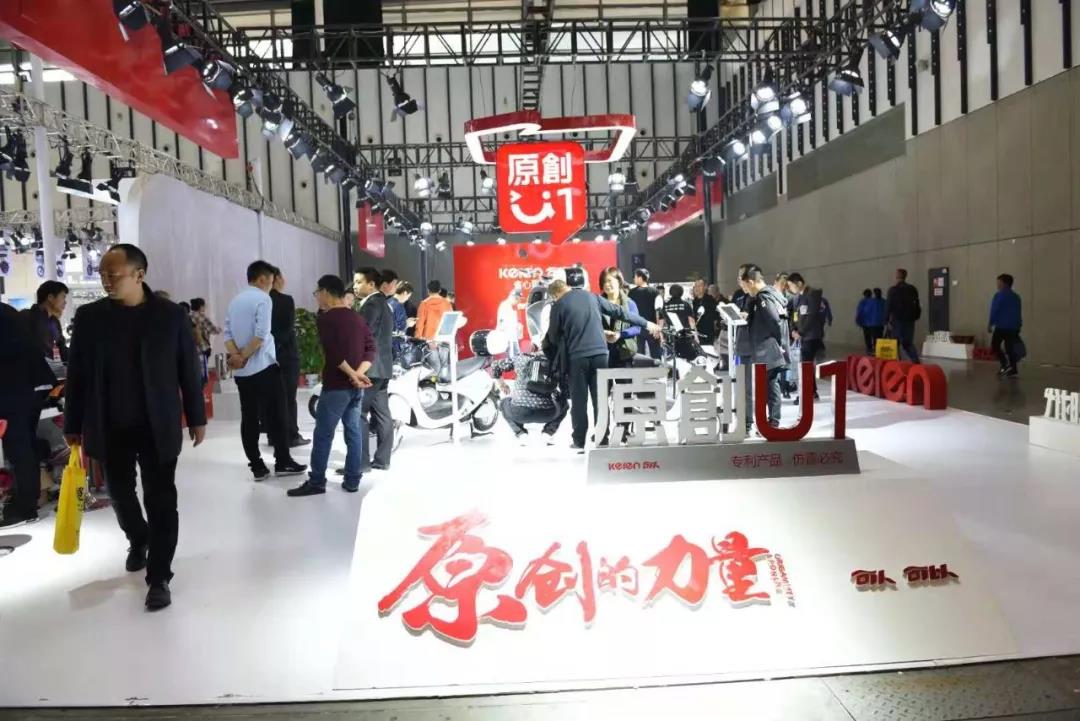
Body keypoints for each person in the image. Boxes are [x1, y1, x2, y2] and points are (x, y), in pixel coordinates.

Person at [63, 244, 206, 610]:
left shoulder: (170, 316)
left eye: (113, 275)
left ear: (139, 275)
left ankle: (159, 577)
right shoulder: (90, 317)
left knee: (161, 499)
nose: (106, 281)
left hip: (157, 423)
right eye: (102, 275)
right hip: (109, 423)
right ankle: (138, 538)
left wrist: (196, 416)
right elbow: (77, 374)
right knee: (120, 494)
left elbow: (187, 369)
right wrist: (73, 421)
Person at [544, 277, 659, 452]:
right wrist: (646, 323)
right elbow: (620, 312)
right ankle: (602, 438)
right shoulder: (592, 297)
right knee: (600, 399)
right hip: (601, 354)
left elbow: (552, 337)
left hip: (577, 357)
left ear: (555, 295)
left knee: (579, 400)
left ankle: (579, 441)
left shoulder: (558, 305)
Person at [288, 275, 374, 497]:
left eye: (317, 293)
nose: (317, 297)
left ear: (326, 292)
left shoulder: (326, 319)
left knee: (323, 434)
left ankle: (317, 481)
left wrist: (353, 375)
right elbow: (371, 349)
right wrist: (358, 374)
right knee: (353, 432)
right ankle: (353, 480)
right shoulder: (357, 318)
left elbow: (334, 354)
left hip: (336, 386)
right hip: (356, 387)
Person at [224, 260, 307, 481]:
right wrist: (244, 356)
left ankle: (257, 466)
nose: (272, 286)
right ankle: (283, 462)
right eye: (271, 281)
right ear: (262, 279)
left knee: (249, 417)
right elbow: (261, 335)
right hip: (264, 367)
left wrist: (237, 357)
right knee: (278, 414)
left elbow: (227, 334)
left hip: (242, 373)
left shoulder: (235, 300)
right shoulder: (263, 298)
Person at [0, 302, 56, 528]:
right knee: (24, 445)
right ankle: (28, 502)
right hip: (28, 385)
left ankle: (25, 507)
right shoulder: (6, 312)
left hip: (14, 389)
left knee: (19, 447)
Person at [353, 267, 395, 471]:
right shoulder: (384, 303)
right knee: (383, 415)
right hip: (383, 367)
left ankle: (360, 462)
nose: (355, 286)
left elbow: (361, 335)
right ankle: (382, 460)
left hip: (370, 367)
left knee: (359, 413)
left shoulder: (371, 304)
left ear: (371, 284)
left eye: (359, 282)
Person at [743, 264, 791, 430]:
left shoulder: (763, 297)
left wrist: (778, 342)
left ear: (751, 282)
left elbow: (773, 320)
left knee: (769, 385)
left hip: (768, 348)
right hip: (771, 348)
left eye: (744, 285)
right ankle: (772, 421)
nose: (744, 289)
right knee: (771, 384)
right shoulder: (773, 294)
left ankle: (772, 422)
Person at [493, 351, 568, 445]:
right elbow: (565, 389)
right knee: (565, 404)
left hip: (519, 413)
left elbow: (495, 365)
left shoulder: (520, 358)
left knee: (503, 403)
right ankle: (548, 433)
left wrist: (502, 385)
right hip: (547, 413)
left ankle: (520, 433)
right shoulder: (554, 362)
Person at [270, 269, 307, 447]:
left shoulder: (261, 300)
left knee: (272, 398)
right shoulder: (285, 300)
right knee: (288, 398)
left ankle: (273, 436)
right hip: (286, 356)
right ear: (276, 278)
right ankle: (291, 435)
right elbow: (286, 330)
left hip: (266, 357)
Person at [599, 267, 641, 369]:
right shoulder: (597, 304)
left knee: (625, 379)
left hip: (625, 352)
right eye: (604, 281)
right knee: (604, 379)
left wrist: (620, 334)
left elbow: (637, 328)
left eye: (609, 281)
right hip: (603, 352)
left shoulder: (629, 303)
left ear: (619, 281)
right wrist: (603, 333)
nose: (606, 284)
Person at [23, 280, 69, 362]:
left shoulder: (54, 322)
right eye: (63, 297)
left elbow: (61, 348)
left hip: (51, 366)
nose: (65, 302)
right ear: (50, 297)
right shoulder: (27, 317)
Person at [988, 273, 1023, 378]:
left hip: (1001, 327)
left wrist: (990, 323)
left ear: (1005, 284)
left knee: (995, 346)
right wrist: (1019, 325)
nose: (997, 285)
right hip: (1014, 327)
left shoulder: (999, 295)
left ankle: (1004, 364)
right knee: (1010, 349)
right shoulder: (1016, 297)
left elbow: (994, 310)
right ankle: (1013, 369)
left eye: (999, 282)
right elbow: (1018, 312)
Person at [886, 268, 921, 363]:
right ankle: (916, 362)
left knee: (894, 343)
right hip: (910, 320)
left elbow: (888, 306)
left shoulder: (893, 290)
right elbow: (917, 304)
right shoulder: (912, 289)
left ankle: (895, 363)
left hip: (897, 320)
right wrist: (916, 315)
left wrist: (886, 320)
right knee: (908, 343)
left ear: (897, 276)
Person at [628, 268, 662, 359]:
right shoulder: (655, 292)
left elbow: (629, 311)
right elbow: (659, 312)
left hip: (637, 327)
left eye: (635, 277)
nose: (634, 279)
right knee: (656, 355)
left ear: (640, 278)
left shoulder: (631, 293)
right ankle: (658, 368)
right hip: (652, 328)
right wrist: (658, 328)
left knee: (639, 356)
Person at [189, 298, 221, 377]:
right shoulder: (202, 317)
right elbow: (214, 330)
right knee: (202, 372)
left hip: (189, 347)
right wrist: (220, 329)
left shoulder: (187, 315)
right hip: (202, 346)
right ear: (201, 306)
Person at [497, 286, 524, 358]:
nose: (518, 302)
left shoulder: (510, 307)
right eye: (518, 300)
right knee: (511, 359)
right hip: (508, 339)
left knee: (516, 357)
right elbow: (502, 324)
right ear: (515, 298)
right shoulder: (505, 306)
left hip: (512, 338)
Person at [691, 278, 719, 345]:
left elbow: (715, 316)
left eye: (699, 286)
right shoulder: (693, 302)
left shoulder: (711, 300)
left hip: (708, 333)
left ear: (705, 287)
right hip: (696, 333)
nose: (697, 288)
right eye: (695, 286)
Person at [389, 281, 413, 355]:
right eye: (408, 296)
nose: (407, 299)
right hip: (396, 345)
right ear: (405, 293)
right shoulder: (398, 306)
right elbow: (399, 328)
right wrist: (408, 324)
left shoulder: (388, 302)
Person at [856, 289, 877, 355]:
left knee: (867, 336)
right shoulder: (874, 301)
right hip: (874, 322)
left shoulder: (862, 301)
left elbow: (859, 312)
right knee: (874, 336)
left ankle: (869, 348)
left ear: (864, 295)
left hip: (865, 322)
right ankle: (875, 348)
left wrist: (858, 321)